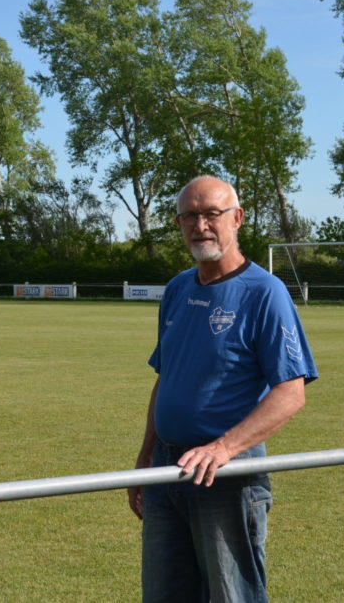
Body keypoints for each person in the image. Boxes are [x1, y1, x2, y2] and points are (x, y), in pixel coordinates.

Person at [127, 175, 317, 603]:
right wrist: (144, 456)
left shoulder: (265, 293)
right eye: (189, 216)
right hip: (165, 470)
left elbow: (291, 392)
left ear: (237, 218)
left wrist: (223, 449)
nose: (201, 226)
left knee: (235, 597)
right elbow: (167, 377)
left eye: (212, 214)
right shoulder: (177, 289)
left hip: (226, 476)